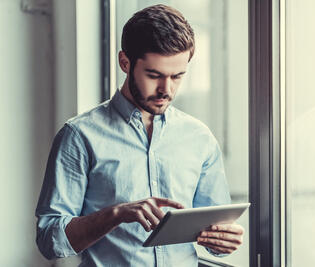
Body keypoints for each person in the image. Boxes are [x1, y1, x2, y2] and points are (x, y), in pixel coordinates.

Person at [35, 4, 244, 267]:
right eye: (154, 75)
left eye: (177, 76)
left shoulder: (200, 138)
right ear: (125, 62)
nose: (166, 89)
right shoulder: (79, 136)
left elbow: (215, 230)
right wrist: (117, 214)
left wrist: (225, 241)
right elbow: (49, 240)